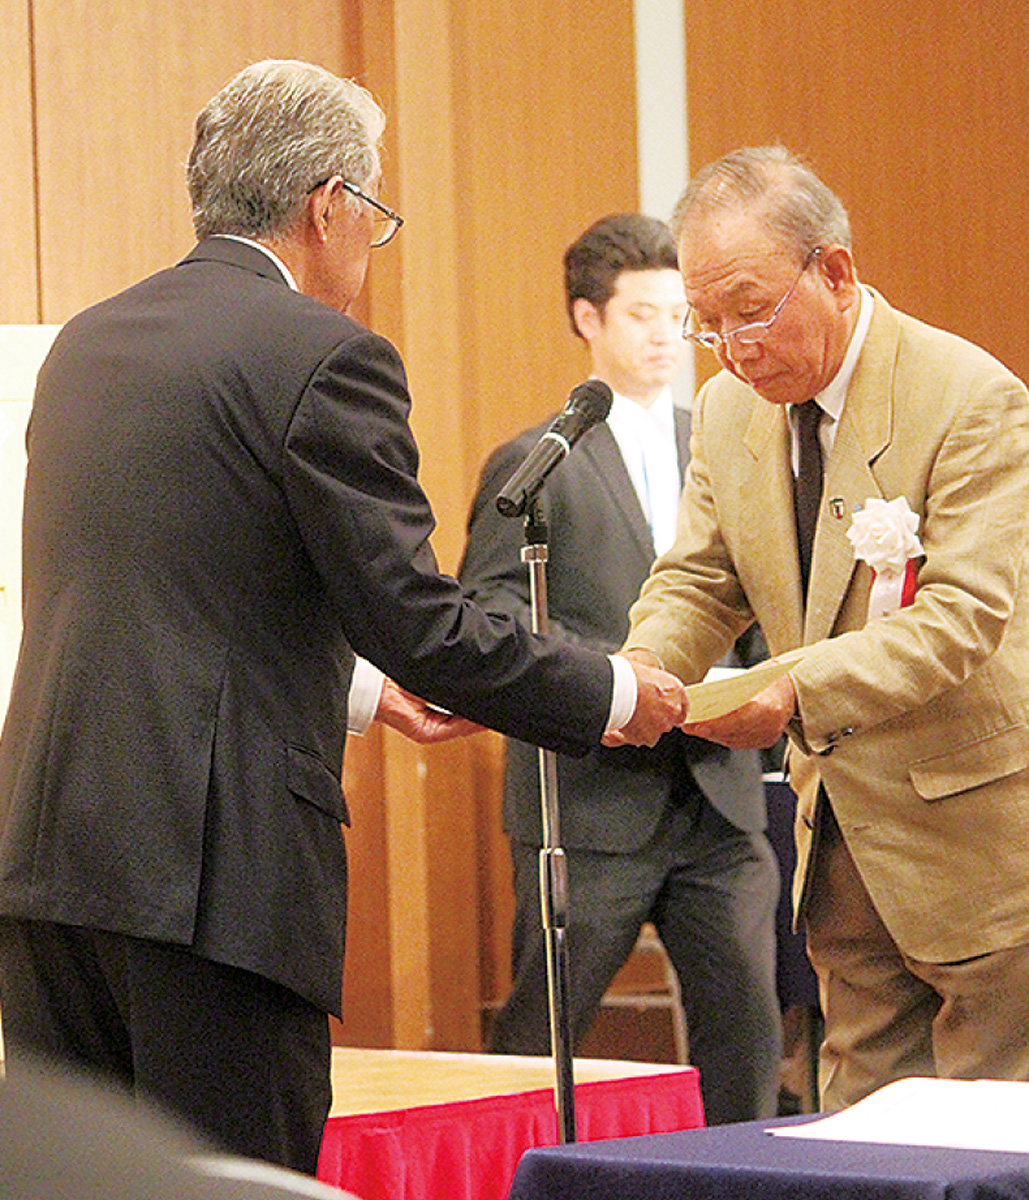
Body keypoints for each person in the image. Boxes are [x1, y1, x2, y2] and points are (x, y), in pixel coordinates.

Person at [0, 60, 688, 1173]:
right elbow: (417, 618)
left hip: (49, 859)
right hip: (212, 878)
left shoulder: (90, 344)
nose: (373, 243)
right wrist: (610, 691)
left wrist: (363, 691)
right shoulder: (322, 355)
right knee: (230, 1189)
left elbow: (172, 585)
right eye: (376, 212)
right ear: (330, 205)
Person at [622, 144, 1029, 1112]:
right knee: (859, 1138)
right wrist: (637, 673)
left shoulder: (968, 397)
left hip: (977, 853)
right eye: (708, 324)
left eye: (751, 311)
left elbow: (960, 617)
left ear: (835, 272)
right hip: (843, 856)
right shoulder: (727, 409)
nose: (734, 348)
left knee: (989, 1142)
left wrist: (791, 689)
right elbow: (700, 581)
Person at [459, 213, 782, 1124]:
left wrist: (766, 689)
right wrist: (617, 683)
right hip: (589, 801)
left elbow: (762, 594)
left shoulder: (722, 442)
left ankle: (749, 1182)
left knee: (747, 1038)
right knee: (541, 1038)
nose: (665, 337)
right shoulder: (536, 461)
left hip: (718, 797)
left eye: (679, 317)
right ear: (586, 318)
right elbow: (490, 611)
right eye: (642, 314)